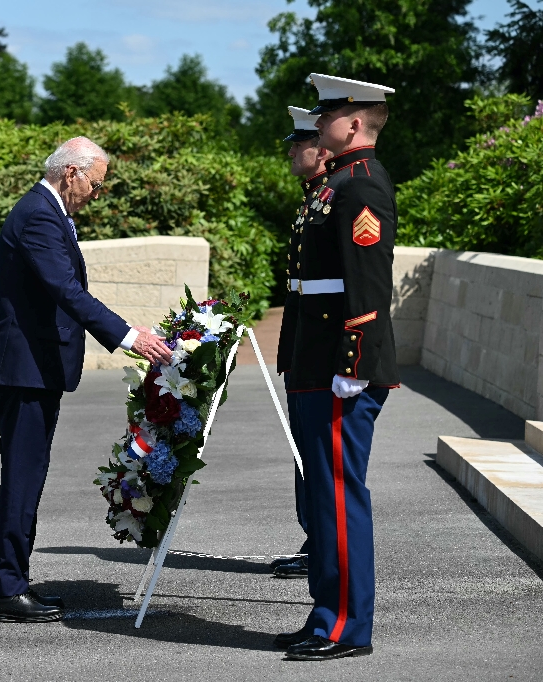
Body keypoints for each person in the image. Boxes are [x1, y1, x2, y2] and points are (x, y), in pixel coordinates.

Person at [0, 137, 173, 623]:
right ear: (72, 173)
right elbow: (65, 289)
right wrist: (131, 336)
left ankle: (13, 581)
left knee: (29, 475)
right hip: (27, 367)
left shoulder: (48, 210)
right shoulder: (40, 214)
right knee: (23, 477)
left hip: (35, 366)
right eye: (97, 184)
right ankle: (7, 589)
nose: (97, 194)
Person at [278, 74, 399, 661]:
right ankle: (326, 614)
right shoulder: (336, 187)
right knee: (323, 500)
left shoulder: (361, 187)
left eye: (329, 114)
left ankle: (347, 626)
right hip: (317, 367)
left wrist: (352, 366)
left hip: (338, 372)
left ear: (354, 123)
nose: (320, 124)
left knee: (339, 499)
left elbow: (368, 288)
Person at [271, 106, 334, 580]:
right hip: (302, 344)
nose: (293, 150)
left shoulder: (332, 198)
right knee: (303, 452)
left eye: (300, 143)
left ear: (323, 150)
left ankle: (322, 543)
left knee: (316, 454)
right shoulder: (312, 197)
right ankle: (315, 538)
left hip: (321, 349)